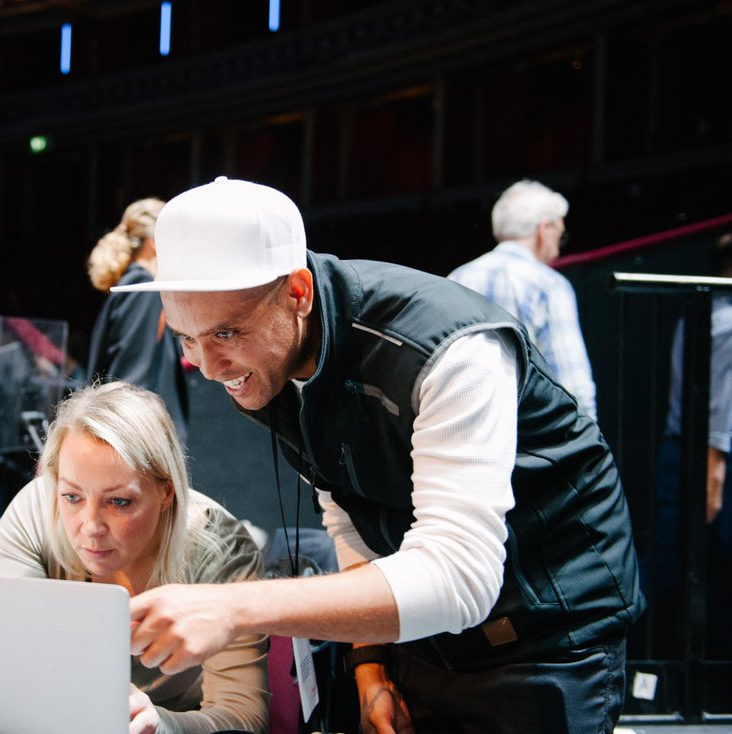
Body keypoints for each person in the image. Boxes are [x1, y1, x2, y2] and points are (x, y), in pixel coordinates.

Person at [114, 176, 643, 734]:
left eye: (225, 332)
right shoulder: (269, 362)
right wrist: (371, 668)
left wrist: (232, 606)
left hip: (546, 638)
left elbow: (459, 577)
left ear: (298, 291)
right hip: (421, 637)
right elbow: (349, 512)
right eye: (185, 337)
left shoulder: (452, 352)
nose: (205, 364)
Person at [0, 381, 268, 734]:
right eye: (72, 497)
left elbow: (243, 718)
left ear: (167, 490)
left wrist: (161, 724)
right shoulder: (35, 511)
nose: (90, 527)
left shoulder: (223, 548)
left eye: (118, 502)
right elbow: (4, 659)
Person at [646, 231, 732, 659]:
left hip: (686, 451)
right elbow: (719, 407)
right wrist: (714, 477)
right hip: (728, 457)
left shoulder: (698, 315)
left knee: (666, 560)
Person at [448, 179, 598, 420]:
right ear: (543, 230)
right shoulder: (549, 285)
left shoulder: (457, 276)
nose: (559, 247)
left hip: (464, 426)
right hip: (527, 436)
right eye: (561, 234)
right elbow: (572, 383)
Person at [87, 198, 189, 443]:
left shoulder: (138, 288)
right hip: (136, 445)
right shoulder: (143, 291)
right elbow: (131, 383)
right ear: (155, 244)